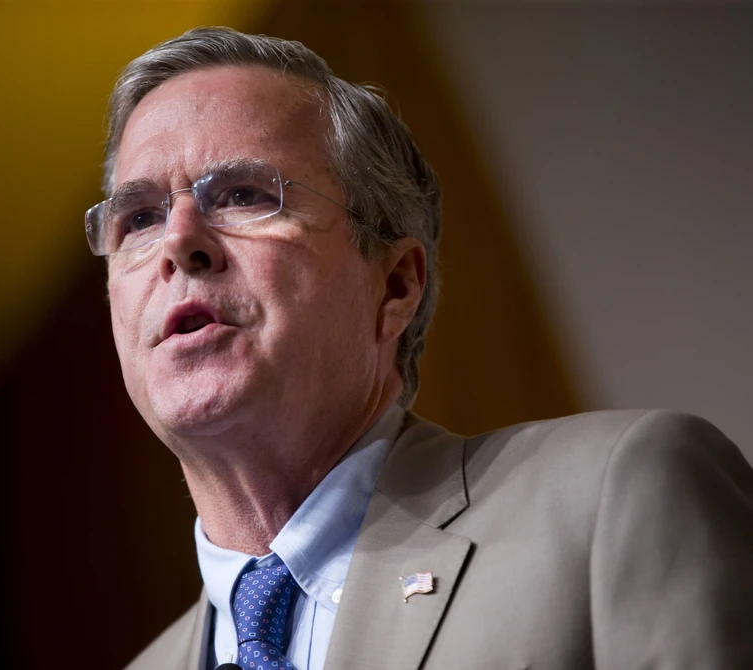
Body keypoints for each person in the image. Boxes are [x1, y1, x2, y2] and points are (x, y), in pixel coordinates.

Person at [85, 27, 753, 670]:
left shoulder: (614, 498)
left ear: (396, 284)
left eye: (243, 195)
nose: (179, 242)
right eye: (139, 219)